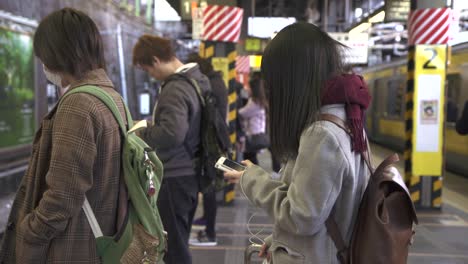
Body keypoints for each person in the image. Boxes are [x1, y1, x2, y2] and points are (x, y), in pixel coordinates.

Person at [224, 22, 371, 263]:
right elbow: (326, 208)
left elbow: (302, 217)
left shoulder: (322, 134)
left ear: (290, 79)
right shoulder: (346, 116)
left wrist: (249, 178)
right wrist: (280, 241)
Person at [0, 8, 126, 263]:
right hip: (102, 238)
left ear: (56, 53)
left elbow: (63, 196)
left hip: (72, 248)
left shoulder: (78, 104)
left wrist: (29, 232)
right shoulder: (110, 96)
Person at [132, 35, 210, 264]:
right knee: (178, 241)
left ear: (156, 60)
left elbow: (172, 133)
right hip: (189, 172)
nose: (151, 75)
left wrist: (143, 132)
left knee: (173, 248)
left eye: (148, 69)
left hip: (174, 176)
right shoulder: (196, 81)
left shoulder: (175, 89)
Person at [185, 53, 227, 246]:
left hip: (211, 146)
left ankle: (210, 234)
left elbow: (208, 118)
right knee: (207, 188)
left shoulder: (210, 85)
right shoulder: (217, 81)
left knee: (208, 188)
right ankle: (208, 229)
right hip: (215, 143)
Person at [239, 77, 268, 165]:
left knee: (250, 159)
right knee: (251, 158)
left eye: (249, 87)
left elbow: (242, 113)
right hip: (257, 133)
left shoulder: (254, 103)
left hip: (253, 136)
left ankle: (254, 177)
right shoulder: (260, 101)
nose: (247, 89)